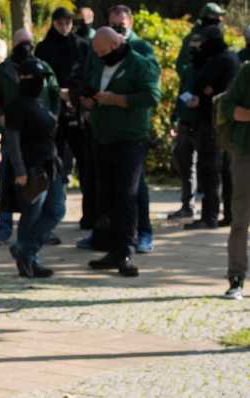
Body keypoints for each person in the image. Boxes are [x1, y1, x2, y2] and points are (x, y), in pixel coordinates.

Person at [82, 27, 161, 277]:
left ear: (116, 45)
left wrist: (117, 99)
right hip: (102, 137)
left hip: (130, 139)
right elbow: (90, 86)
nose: (99, 56)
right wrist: (88, 99)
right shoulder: (98, 62)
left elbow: (151, 96)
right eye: (97, 53)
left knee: (127, 194)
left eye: (103, 52)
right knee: (106, 195)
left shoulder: (141, 64)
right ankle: (111, 249)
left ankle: (127, 251)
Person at [0, 28, 60, 244]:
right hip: (15, 133)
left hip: (40, 134)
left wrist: (53, 117)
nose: (25, 46)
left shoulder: (43, 68)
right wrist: (1, 115)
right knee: (9, 183)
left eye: (28, 41)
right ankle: (4, 229)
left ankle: (37, 234)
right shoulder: (3, 71)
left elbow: (55, 94)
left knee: (42, 192)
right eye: (21, 42)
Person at [3, 57, 65, 278]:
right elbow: (12, 140)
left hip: (51, 166)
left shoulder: (40, 102)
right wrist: (19, 170)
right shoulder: (16, 106)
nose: (41, 82)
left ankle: (25, 251)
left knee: (56, 210)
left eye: (43, 78)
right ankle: (28, 258)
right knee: (32, 215)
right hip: (31, 170)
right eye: (36, 78)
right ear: (22, 79)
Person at [35, 7, 91, 227]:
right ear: (53, 23)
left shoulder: (82, 45)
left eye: (68, 21)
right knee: (52, 163)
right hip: (52, 112)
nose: (64, 25)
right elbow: (39, 79)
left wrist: (74, 95)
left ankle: (90, 216)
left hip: (77, 110)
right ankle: (48, 217)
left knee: (86, 163)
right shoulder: (43, 47)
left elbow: (88, 75)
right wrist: (58, 92)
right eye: (60, 22)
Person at [184, 26, 239, 230]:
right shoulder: (231, 58)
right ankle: (229, 215)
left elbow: (201, 86)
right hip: (225, 123)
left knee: (210, 169)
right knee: (224, 170)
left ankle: (210, 216)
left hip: (213, 123)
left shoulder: (220, 60)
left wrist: (205, 91)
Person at [219, 60, 250, 300]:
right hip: (246, 152)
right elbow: (226, 105)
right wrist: (245, 114)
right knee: (240, 218)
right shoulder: (247, 70)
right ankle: (236, 278)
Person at [168, 34, 203, 220]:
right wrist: (175, 119)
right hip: (185, 123)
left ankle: (210, 208)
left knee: (208, 168)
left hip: (202, 125)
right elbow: (181, 95)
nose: (194, 51)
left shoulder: (211, 68)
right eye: (192, 47)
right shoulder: (189, 69)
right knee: (184, 164)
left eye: (198, 47)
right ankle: (187, 205)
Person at [176, 2, 225, 77]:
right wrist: (190, 81)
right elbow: (181, 64)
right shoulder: (196, 37)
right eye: (216, 16)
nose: (219, 20)